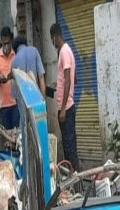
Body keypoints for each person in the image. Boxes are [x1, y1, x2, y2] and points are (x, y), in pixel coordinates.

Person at [51, 23, 79, 171]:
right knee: (70, 144)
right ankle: (75, 174)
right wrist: (59, 83)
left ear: (55, 37)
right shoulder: (68, 50)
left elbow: (69, 80)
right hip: (68, 105)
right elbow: (74, 78)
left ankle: (74, 175)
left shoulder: (63, 52)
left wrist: (62, 109)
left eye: (52, 39)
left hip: (66, 108)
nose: (53, 43)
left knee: (69, 146)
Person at [0, 27, 19, 129]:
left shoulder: (16, 55)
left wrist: (14, 76)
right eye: (4, 43)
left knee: (17, 133)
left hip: (16, 103)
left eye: (8, 43)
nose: (6, 46)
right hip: (4, 105)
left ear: (11, 41)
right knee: (7, 135)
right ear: (1, 41)